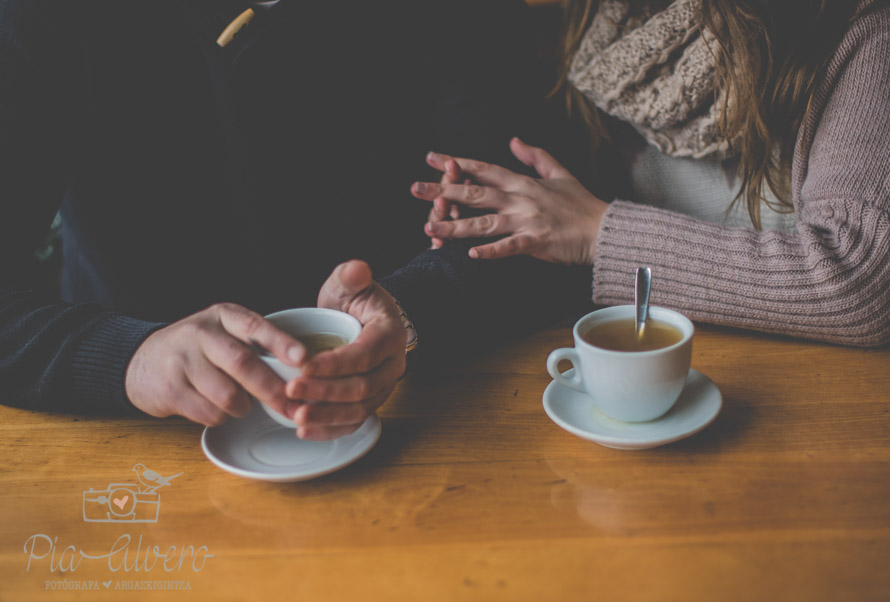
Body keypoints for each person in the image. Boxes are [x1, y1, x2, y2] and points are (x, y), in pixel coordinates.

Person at [0, 0, 589, 438]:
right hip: (129, 438)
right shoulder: (43, 16)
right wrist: (131, 357)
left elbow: (536, 220)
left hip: (421, 416)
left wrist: (408, 313)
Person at [411, 0, 890, 347]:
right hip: (639, 382)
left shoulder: (872, 23)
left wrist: (600, 233)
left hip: (831, 409)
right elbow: (548, 243)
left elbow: (859, 280)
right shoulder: (577, 28)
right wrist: (411, 301)